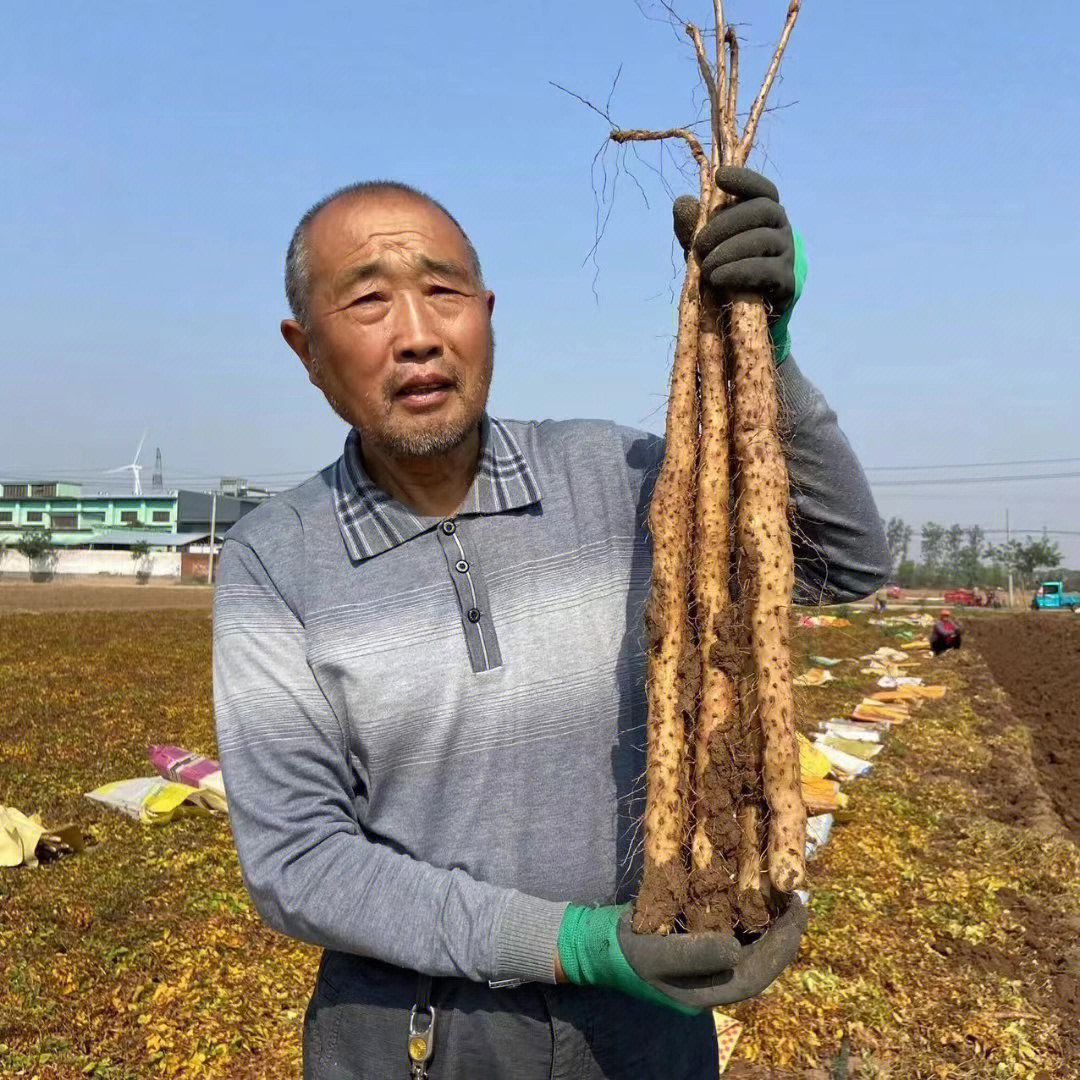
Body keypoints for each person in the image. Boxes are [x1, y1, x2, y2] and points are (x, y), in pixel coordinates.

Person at [213, 170, 890, 1080]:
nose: (418, 335)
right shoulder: (272, 560)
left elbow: (842, 565)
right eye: (368, 301)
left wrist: (764, 349)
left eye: (444, 292)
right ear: (306, 347)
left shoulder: (619, 474)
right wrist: (574, 944)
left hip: (648, 1026)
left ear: (487, 313)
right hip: (419, 1042)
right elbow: (299, 860)